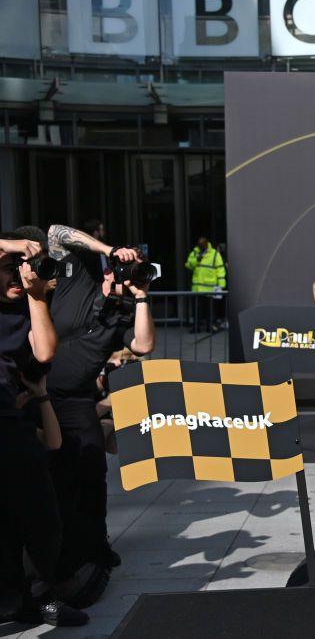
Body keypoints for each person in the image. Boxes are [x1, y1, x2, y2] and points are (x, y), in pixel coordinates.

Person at [43, 223, 156, 591]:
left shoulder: (122, 313)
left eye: (134, 268)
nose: (127, 274)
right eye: (127, 267)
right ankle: (47, 552)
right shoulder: (80, 275)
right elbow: (56, 233)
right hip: (39, 393)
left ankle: (94, 548)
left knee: (92, 473)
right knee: (50, 478)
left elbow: (143, 345)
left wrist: (141, 296)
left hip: (76, 401)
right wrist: (109, 251)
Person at [0, 234, 87, 627]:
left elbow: (45, 352)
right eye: (7, 269)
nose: (16, 275)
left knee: (40, 516)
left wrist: (36, 296)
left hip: (12, 426)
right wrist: (16, 244)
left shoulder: (23, 310)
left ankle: (41, 596)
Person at [185, 236, 227, 332]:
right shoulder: (195, 252)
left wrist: (221, 285)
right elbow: (188, 265)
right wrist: (197, 259)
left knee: (210, 309)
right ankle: (196, 327)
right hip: (197, 288)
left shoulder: (215, 254)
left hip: (210, 287)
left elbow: (220, 269)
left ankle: (210, 326)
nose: (201, 247)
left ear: (206, 244)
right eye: (199, 246)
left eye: (202, 246)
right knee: (196, 309)